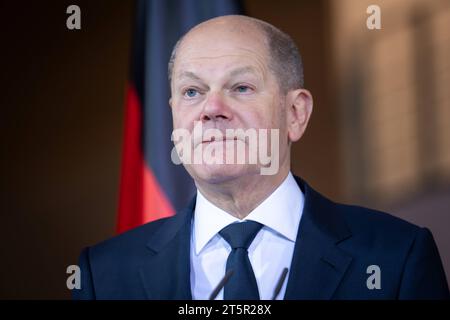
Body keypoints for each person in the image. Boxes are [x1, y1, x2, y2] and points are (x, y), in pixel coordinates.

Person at [73, 15, 449, 300]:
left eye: (241, 87)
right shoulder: (103, 276)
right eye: (191, 91)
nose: (211, 108)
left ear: (295, 113)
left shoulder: (396, 257)